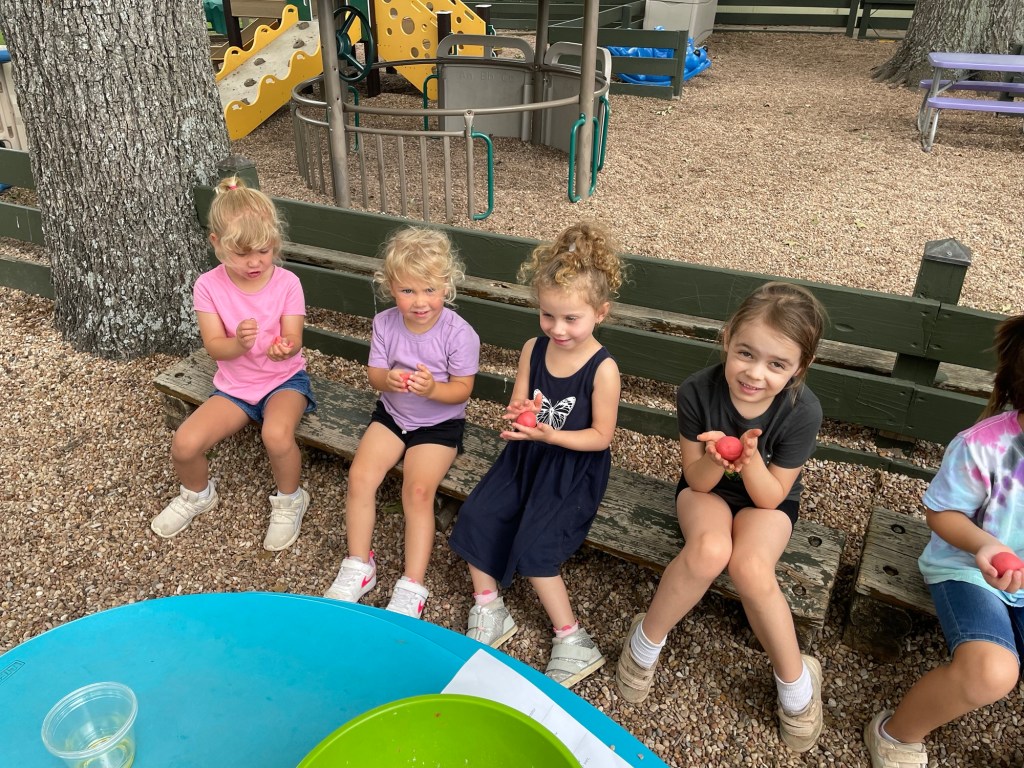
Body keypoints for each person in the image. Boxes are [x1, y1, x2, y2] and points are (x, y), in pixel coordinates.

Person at [614, 282, 827, 751]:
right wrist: (716, 458)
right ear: (728, 337)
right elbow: (697, 479)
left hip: (766, 500)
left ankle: (796, 685)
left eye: (777, 364)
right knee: (710, 549)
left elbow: (771, 497)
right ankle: (644, 643)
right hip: (705, 490)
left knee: (751, 567)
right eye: (746, 353)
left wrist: (748, 460)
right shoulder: (697, 391)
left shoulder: (802, 410)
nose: (755, 373)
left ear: (800, 367)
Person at [448, 222, 623, 688]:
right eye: (548, 315)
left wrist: (550, 435)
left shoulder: (603, 369)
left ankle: (572, 638)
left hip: (572, 470)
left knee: (537, 548)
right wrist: (520, 416)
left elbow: (601, 437)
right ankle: (490, 607)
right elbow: (520, 403)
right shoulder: (533, 347)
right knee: (478, 516)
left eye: (571, 319)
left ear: (600, 313)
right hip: (527, 456)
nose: (557, 328)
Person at [864, 314, 1024, 767]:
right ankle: (896, 733)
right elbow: (941, 512)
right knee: (991, 673)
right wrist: (984, 545)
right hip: (970, 568)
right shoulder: (983, 446)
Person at [324, 227, 479, 619]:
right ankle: (360, 564)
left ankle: (412, 584)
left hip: (439, 425)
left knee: (418, 491)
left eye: (429, 289)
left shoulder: (459, 334)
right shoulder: (385, 323)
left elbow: (462, 390)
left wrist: (434, 389)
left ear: (447, 286)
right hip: (393, 415)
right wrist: (387, 379)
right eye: (408, 290)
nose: (420, 301)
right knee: (360, 477)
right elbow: (375, 375)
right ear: (390, 287)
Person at [152, 176, 315, 550]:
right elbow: (214, 347)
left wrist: (285, 347)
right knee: (184, 443)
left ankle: (290, 499)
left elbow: (294, 338)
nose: (255, 261)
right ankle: (197, 494)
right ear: (217, 244)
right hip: (235, 388)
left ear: (274, 241)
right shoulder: (208, 286)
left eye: (264, 250)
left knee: (276, 435)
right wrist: (239, 344)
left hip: (285, 381)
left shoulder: (288, 283)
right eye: (242, 253)